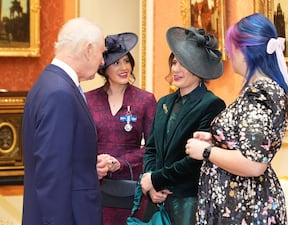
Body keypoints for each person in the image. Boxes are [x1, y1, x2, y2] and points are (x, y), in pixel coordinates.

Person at [185, 13, 288, 225]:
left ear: (245, 51)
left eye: (231, 47)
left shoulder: (260, 94)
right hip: (239, 204)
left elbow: (254, 163)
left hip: (245, 209)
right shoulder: (260, 91)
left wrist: (206, 151)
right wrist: (217, 140)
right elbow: (249, 143)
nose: (229, 54)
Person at [22, 17, 105, 225]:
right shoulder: (60, 93)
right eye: (101, 53)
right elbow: (52, 174)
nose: (103, 62)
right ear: (88, 49)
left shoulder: (50, 83)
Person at [140, 26, 226, 225]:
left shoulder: (212, 104)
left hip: (188, 204)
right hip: (156, 201)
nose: (175, 69)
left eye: (184, 64)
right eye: (174, 62)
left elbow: (196, 159)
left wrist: (155, 180)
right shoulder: (163, 102)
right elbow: (151, 148)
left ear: (200, 69)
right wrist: (152, 184)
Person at [85, 32, 157, 225]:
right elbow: (79, 143)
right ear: (104, 67)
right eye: (116, 62)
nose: (124, 67)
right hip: (94, 182)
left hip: (131, 187)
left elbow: (153, 148)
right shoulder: (87, 100)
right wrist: (96, 162)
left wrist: (120, 162)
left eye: (127, 61)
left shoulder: (145, 100)